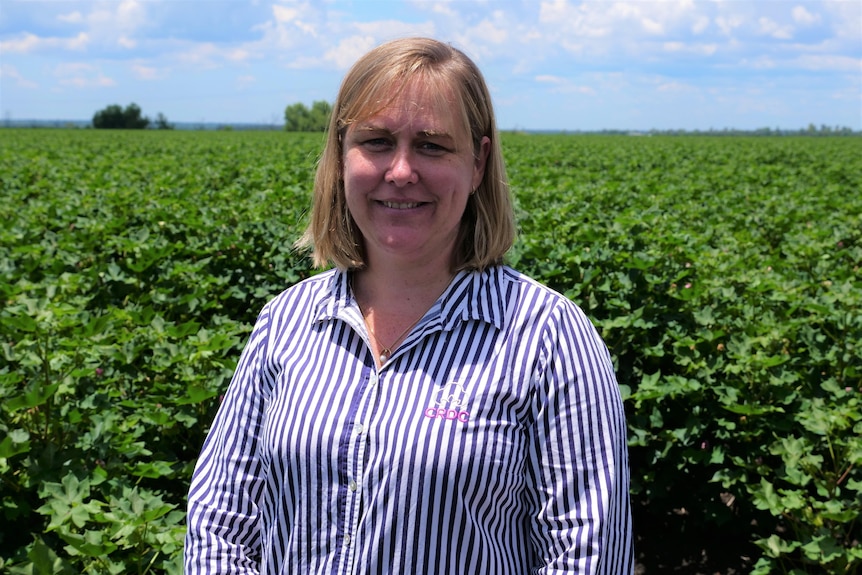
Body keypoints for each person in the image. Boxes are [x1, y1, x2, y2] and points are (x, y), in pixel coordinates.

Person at [184, 37, 633, 574]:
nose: (400, 171)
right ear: (341, 154)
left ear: (478, 162)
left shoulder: (549, 337)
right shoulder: (286, 321)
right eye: (375, 142)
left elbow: (585, 557)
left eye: (432, 146)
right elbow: (220, 520)